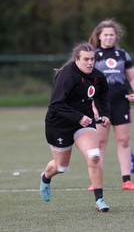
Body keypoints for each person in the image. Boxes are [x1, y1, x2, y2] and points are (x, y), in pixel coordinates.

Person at [40, 42, 111, 212]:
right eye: (85, 59)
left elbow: (103, 97)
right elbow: (56, 104)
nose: (89, 63)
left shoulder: (97, 76)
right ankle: (45, 177)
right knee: (61, 167)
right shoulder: (67, 75)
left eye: (92, 59)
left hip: (84, 124)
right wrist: (79, 117)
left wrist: (104, 114)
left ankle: (99, 199)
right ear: (76, 60)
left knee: (94, 156)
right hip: (59, 125)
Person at [88, 19, 134, 191]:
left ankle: (127, 180)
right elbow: (87, 82)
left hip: (121, 101)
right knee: (100, 142)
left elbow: (132, 77)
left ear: (115, 36)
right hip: (100, 103)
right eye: (105, 35)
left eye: (112, 34)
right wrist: (92, 105)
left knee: (123, 140)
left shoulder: (122, 54)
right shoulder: (93, 55)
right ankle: (96, 181)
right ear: (99, 36)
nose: (109, 38)